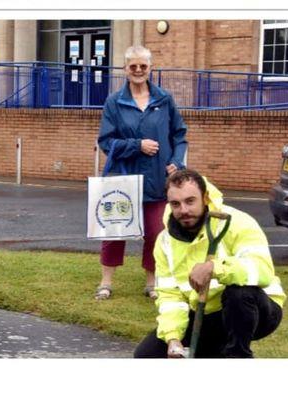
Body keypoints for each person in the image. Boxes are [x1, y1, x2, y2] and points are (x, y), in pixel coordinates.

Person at [134, 169, 286, 358]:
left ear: (205, 197)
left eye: (190, 201)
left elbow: (261, 271)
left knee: (239, 293)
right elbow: (169, 294)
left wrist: (215, 268)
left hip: (256, 309)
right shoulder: (165, 241)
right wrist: (173, 338)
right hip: (205, 312)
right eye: (175, 204)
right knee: (146, 355)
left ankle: (238, 357)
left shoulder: (238, 222)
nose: (183, 210)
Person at [95, 45, 188, 300]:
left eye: (143, 66)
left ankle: (151, 283)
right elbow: (106, 141)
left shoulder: (164, 100)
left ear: (150, 68)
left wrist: (176, 161)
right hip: (124, 179)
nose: (138, 70)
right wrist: (137, 145)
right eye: (133, 66)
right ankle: (106, 282)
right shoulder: (114, 102)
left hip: (158, 180)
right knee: (115, 230)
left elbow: (179, 135)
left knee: (156, 233)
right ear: (125, 69)